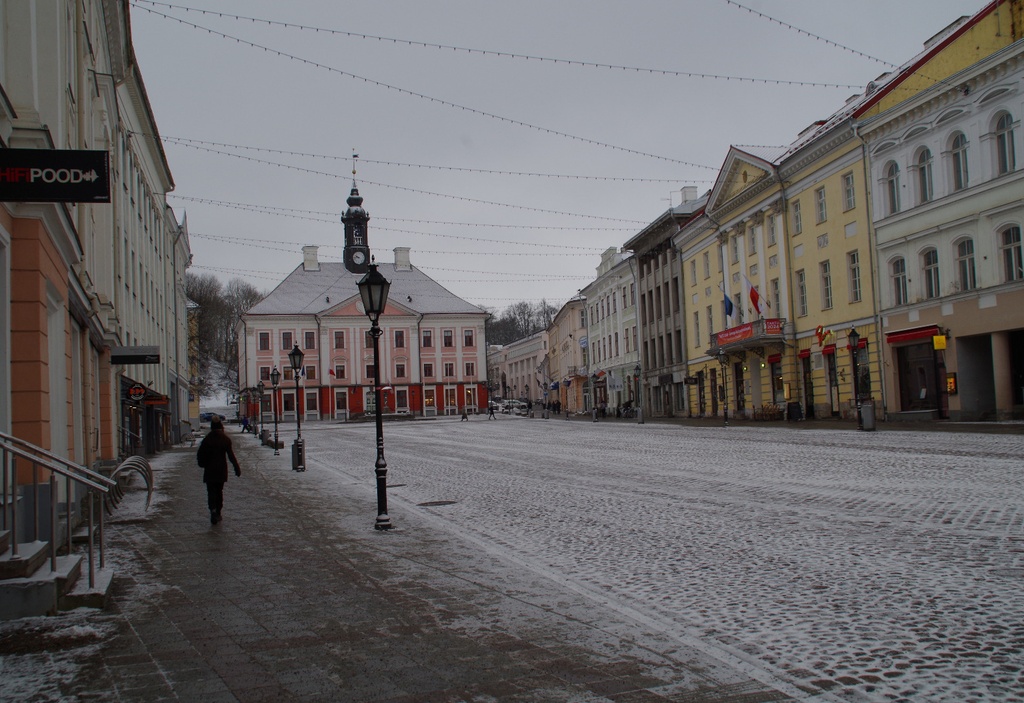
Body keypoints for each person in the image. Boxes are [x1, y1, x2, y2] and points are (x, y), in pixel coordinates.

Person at [196, 417, 241, 525]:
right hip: (221, 470)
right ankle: (219, 512)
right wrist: (236, 468)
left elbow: (200, 454)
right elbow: (231, 456)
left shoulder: (207, 439)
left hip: (209, 470)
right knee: (219, 491)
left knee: (211, 492)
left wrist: (202, 463)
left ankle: (213, 510)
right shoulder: (225, 439)